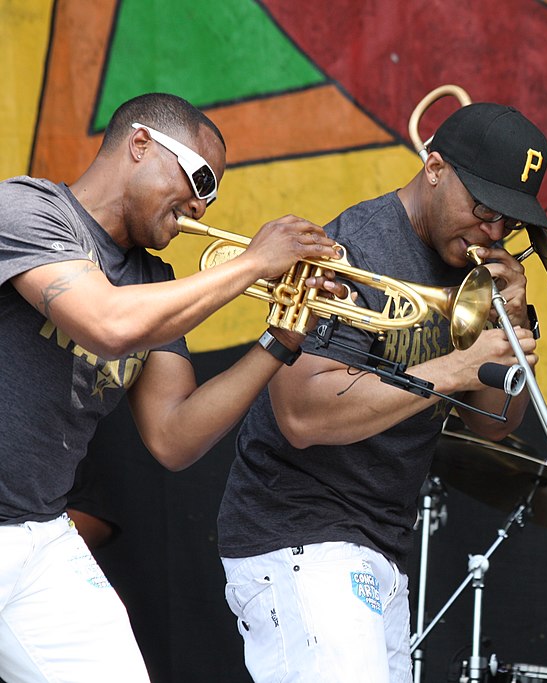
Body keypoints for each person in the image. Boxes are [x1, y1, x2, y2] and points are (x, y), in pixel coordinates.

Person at [0, 92, 341, 683]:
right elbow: (105, 323)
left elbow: (174, 436)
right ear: (140, 144)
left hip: (39, 535)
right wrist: (253, 263)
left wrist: (280, 342)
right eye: (200, 178)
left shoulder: (152, 280)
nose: (203, 207)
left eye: (213, 193)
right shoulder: (26, 207)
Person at [216, 102, 547, 683]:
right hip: (301, 536)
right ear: (435, 167)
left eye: (509, 223)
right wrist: (453, 368)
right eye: (485, 209)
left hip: (379, 548)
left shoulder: (475, 277)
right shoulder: (352, 251)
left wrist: (511, 323)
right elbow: (300, 414)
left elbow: (495, 423)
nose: (493, 233)